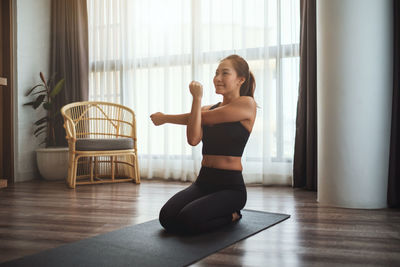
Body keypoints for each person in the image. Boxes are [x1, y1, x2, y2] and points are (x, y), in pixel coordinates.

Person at [150, 54, 257, 235]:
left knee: (188, 219)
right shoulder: (205, 109)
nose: (218, 78)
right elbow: (193, 140)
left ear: (241, 79)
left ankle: (232, 215)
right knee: (166, 217)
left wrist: (165, 118)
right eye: (216, 73)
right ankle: (213, 213)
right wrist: (196, 101)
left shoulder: (247, 104)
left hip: (230, 187)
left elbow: (204, 118)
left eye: (225, 73)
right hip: (204, 181)